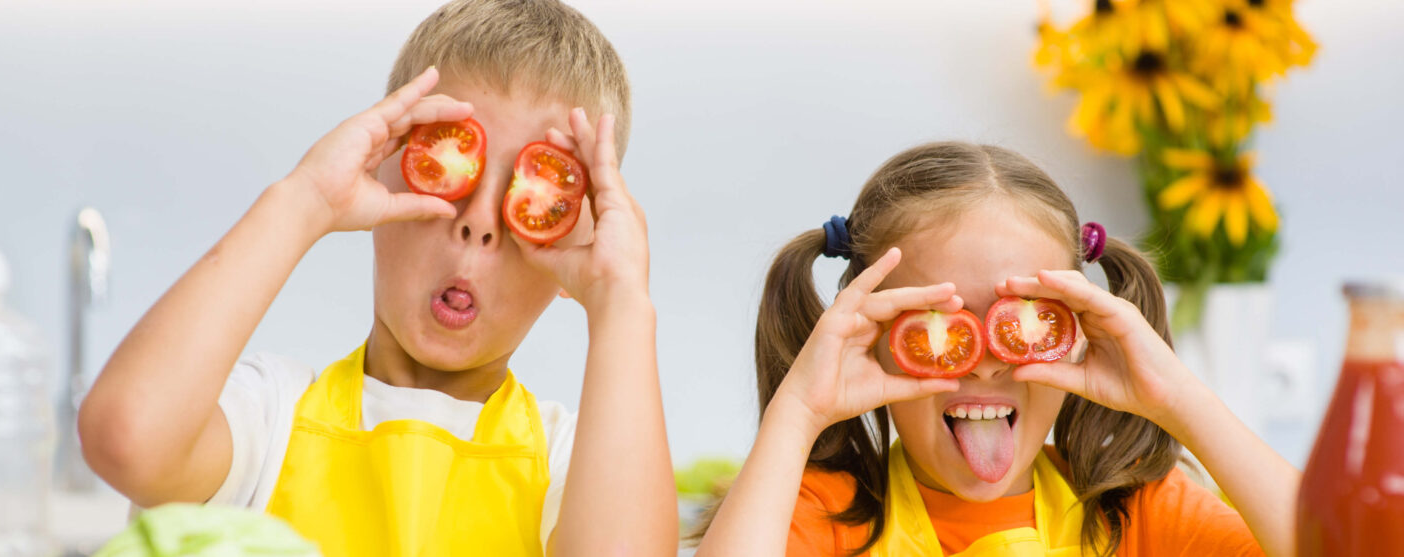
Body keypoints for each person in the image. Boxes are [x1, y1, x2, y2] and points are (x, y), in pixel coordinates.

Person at [78, 1, 675, 555]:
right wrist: (304, 200)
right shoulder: (267, 417)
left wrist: (623, 302)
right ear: (379, 177)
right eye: (444, 164)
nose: (477, 226)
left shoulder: (573, 461)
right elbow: (128, 437)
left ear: (580, 244)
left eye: (538, 201)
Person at [694, 142, 1298, 556]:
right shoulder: (825, 515)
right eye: (937, 328)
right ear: (872, 340)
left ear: (1077, 333)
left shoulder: (1139, 516)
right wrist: (798, 414)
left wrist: (1180, 400)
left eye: (1027, 326)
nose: (983, 360)